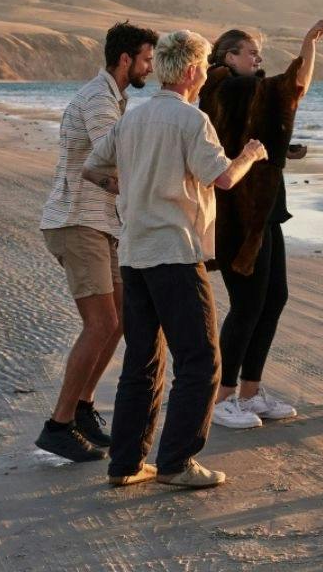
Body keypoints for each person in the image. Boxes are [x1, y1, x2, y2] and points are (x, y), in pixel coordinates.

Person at [82, 30, 267, 490]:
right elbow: (222, 179)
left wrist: (128, 188)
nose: (206, 75)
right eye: (204, 67)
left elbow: (92, 167)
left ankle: (125, 463)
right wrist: (249, 154)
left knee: (142, 361)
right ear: (189, 71)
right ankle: (177, 461)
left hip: (136, 251)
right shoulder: (190, 119)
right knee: (200, 360)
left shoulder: (133, 120)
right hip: (174, 253)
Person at [202, 13, 323, 430]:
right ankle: (223, 397)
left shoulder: (239, 88)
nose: (258, 60)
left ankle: (249, 392)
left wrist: (308, 48)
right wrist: (307, 44)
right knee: (247, 303)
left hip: (263, 207)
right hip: (237, 211)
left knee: (273, 296)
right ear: (229, 56)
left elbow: (288, 92)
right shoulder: (223, 87)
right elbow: (289, 89)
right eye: (252, 53)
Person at [34, 21, 158, 463]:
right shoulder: (98, 101)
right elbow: (115, 160)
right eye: (146, 59)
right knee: (101, 323)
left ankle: (83, 409)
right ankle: (58, 424)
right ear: (125, 59)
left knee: (120, 318)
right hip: (76, 220)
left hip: (102, 223)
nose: (150, 67)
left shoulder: (114, 98)